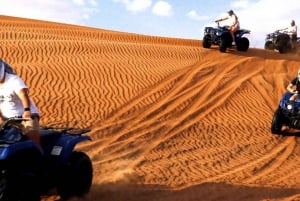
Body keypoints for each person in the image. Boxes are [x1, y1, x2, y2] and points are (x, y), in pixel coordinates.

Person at [0, 59, 41, 146]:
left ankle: (41, 156)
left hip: (26, 117)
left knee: (33, 142)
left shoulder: (13, 80)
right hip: (8, 119)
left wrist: (27, 110)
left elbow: (23, 94)